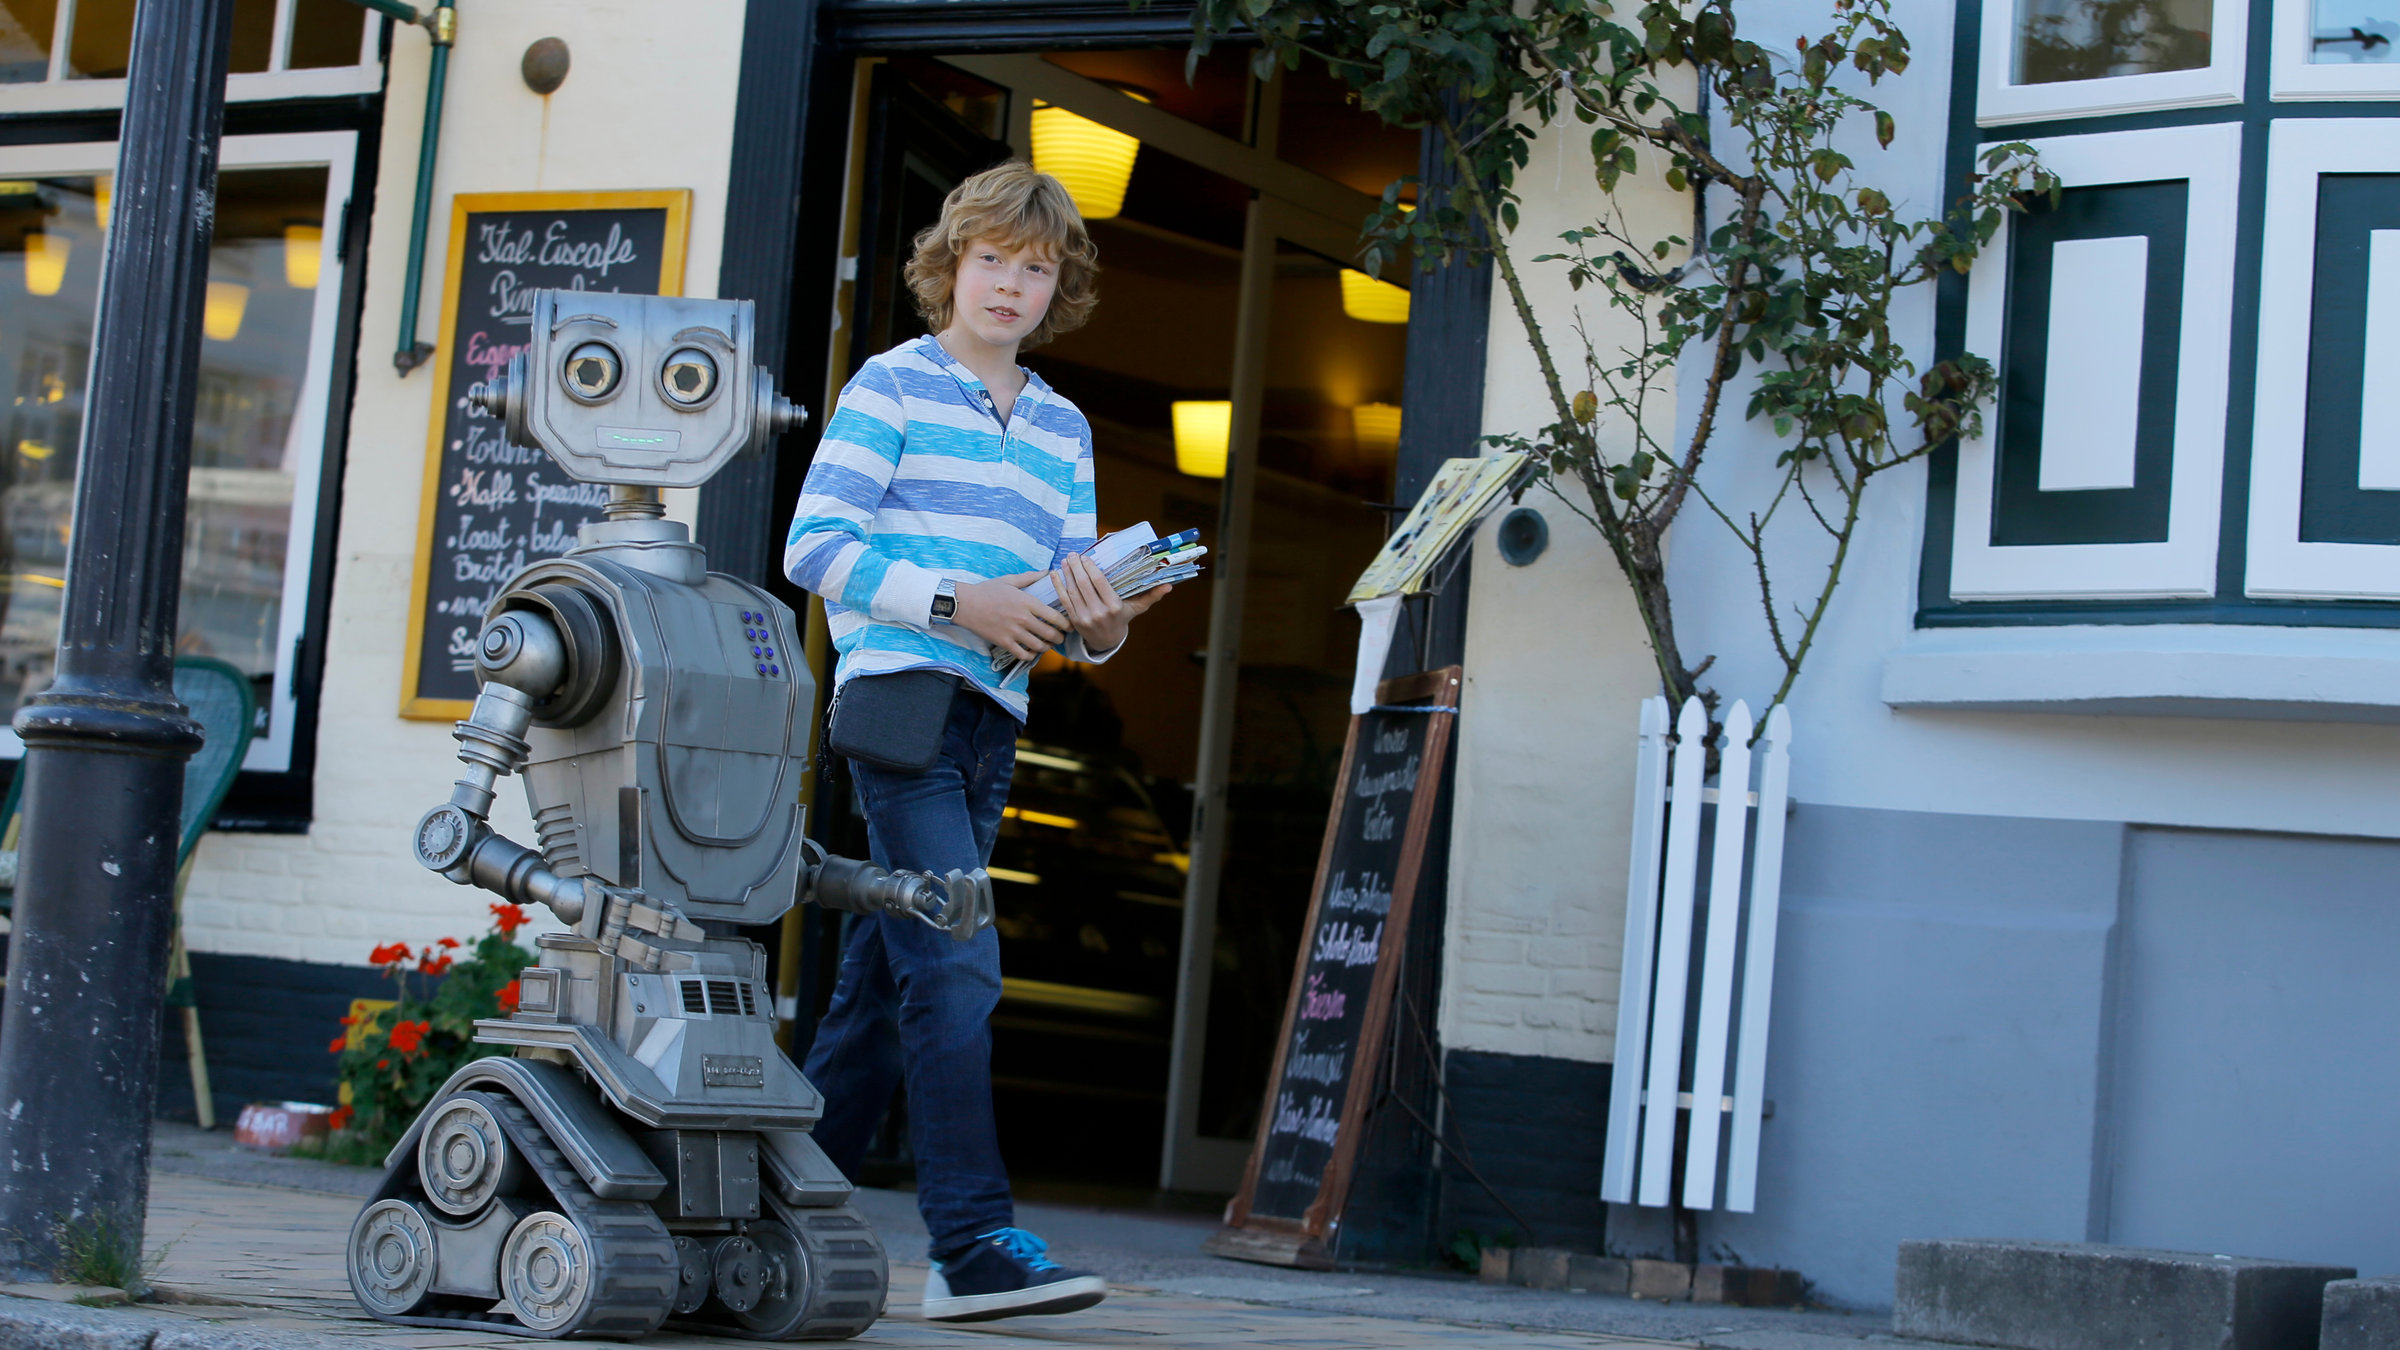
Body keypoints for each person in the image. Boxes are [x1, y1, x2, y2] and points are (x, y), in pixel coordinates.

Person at [781, 161, 1170, 1323]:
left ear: (1061, 287)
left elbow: (1071, 604)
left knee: (877, 987)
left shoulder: (1061, 425)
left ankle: (773, 1206)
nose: (1009, 284)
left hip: (991, 727)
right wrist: (965, 604)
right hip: (901, 711)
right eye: (991, 259)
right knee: (955, 961)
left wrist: (1101, 624)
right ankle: (968, 1244)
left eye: (1035, 268)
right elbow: (815, 547)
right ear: (950, 266)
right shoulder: (890, 387)